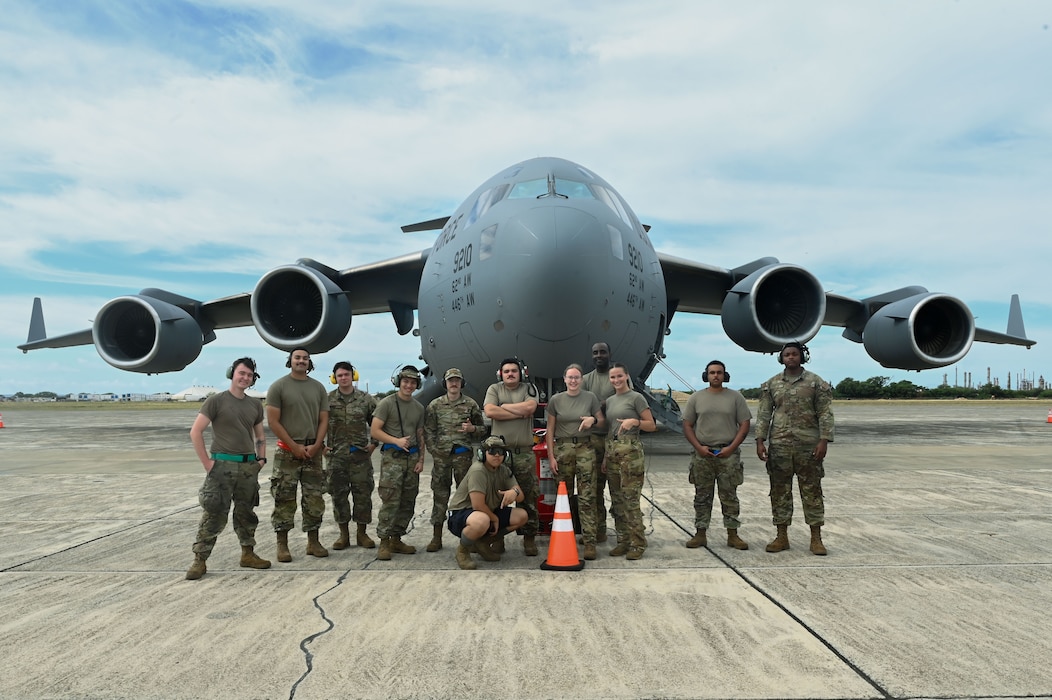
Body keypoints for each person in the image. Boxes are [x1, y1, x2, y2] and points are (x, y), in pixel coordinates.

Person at [185, 357, 271, 580]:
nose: (245, 378)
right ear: (232, 374)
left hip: (247, 467)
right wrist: (207, 463)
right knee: (214, 514)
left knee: (246, 513)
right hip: (221, 466)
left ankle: (248, 554)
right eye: (241, 373)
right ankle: (199, 560)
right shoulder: (216, 401)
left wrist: (261, 461)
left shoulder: (254, 405)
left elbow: (260, 436)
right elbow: (196, 432)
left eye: (249, 375)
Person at [755, 341, 835, 555]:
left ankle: (816, 538)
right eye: (787, 354)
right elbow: (764, 414)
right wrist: (760, 440)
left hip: (808, 446)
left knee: (812, 492)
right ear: (781, 358)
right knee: (779, 492)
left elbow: (825, 413)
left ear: (802, 357)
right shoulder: (771, 384)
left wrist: (824, 440)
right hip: (780, 445)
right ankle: (781, 537)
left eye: (795, 354)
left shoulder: (815, 383)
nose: (791, 357)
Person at [266, 348, 330, 562]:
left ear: (309, 362)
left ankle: (313, 541)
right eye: (297, 358)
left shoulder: (318, 388)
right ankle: (282, 545)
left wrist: (317, 445)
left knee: (314, 498)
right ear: (290, 361)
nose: (301, 361)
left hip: (313, 451)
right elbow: (273, 421)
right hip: (287, 452)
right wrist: (293, 446)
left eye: (305, 358)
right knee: (284, 498)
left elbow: (323, 420)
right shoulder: (279, 387)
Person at [682, 360, 752, 551]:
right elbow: (687, 425)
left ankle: (733, 534)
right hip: (703, 454)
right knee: (702, 497)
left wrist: (731, 448)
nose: (715, 376)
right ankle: (700, 533)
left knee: (729, 496)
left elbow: (744, 425)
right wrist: (698, 447)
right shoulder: (696, 398)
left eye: (719, 372)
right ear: (706, 375)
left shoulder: (735, 398)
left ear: (724, 375)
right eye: (712, 372)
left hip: (727, 454)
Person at [545, 363, 603, 560]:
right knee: (563, 496)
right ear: (564, 379)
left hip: (585, 448)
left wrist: (592, 421)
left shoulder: (590, 398)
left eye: (577, 377)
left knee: (587, 496)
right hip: (563, 449)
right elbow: (550, 430)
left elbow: (602, 420)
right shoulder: (556, 400)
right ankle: (563, 535)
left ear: (582, 379)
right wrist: (551, 457)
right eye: (570, 377)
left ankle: (589, 542)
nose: (573, 380)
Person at [423, 367, 485, 553]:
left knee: (466, 497)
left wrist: (472, 429)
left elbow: (482, 430)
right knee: (440, 495)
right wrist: (434, 451)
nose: (454, 383)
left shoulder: (471, 404)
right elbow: (428, 431)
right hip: (441, 457)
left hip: (462, 457)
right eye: (451, 380)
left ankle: (468, 537)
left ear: (462, 383)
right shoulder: (435, 405)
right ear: (445, 383)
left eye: (457, 380)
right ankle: (436, 536)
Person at [483, 357, 540, 555]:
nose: (510, 374)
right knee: (497, 497)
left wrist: (504, 407)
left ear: (520, 373)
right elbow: (490, 411)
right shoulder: (494, 389)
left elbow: (531, 408)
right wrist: (518, 412)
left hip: (524, 453)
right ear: (501, 374)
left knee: (528, 497)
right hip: (500, 455)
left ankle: (529, 538)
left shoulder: (529, 388)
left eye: (513, 371)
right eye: (506, 371)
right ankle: (498, 538)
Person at [446, 435, 527, 570]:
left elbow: (520, 497)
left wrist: (515, 492)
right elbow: (477, 505)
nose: (497, 455)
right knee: (482, 520)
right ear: (482, 454)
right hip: (461, 514)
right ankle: (462, 551)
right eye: (492, 451)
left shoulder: (504, 470)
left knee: (521, 516)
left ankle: (482, 543)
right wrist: (494, 518)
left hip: (485, 512)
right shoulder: (478, 470)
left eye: (500, 452)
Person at [371, 365, 426, 560]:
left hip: (411, 458)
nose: (409, 385)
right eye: (405, 381)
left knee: (408, 500)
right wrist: (395, 440)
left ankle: (396, 538)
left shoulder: (419, 408)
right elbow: (375, 430)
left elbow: (420, 436)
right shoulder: (386, 404)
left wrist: (421, 460)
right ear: (398, 382)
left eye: (412, 382)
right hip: (392, 458)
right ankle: (384, 541)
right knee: (391, 500)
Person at [602, 362, 656, 560]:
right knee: (616, 500)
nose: (616, 380)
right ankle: (623, 540)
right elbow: (610, 430)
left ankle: (638, 543)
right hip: (613, 452)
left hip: (631, 454)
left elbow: (651, 425)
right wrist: (606, 458)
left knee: (630, 500)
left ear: (626, 376)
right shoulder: (610, 401)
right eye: (612, 377)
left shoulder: (636, 398)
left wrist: (635, 422)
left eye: (619, 376)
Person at [325, 361, 378, 550]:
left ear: (353, 376)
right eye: (339, 375)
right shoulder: (327, 399)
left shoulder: (366, 399)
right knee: (339, 496)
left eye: (346, 374)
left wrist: (374, 444)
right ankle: (344, 535)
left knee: (363, 496)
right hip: (336, 458)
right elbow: (317, 424)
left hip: (360, 457)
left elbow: (378, 423)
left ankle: (362, 534)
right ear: (334, 378)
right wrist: (322, 446)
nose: (343, 378)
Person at [581, 342, 630, 543]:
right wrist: (604, 405)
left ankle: (623, 535)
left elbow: (626, 403)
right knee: (593, 489)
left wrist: (599, 405)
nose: (599, 355)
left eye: (602, 352)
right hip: (592, 440)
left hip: (615, 440)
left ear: (610, 353)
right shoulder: (585, 380)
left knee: (618, 489)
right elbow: (581, 407)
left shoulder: (617, 377)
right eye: (595, 353)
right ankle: (598, 530)